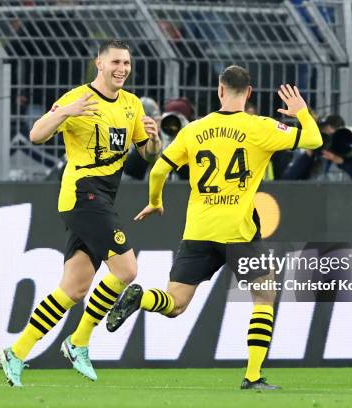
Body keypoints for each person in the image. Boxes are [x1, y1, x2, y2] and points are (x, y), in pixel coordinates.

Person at [106, 66, 322, 390]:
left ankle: (142, 299)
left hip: (198, 231)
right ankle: (252, 376)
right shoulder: (260, 127)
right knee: (264, 296)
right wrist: (301, 112)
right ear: (248, 93)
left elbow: (158, 170)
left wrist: (155, 201)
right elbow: (315, 139)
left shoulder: (194, 130)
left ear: (220, 91)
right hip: (238, 231)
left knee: (175, 303)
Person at [0, 39, 161, 387]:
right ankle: (79, 341)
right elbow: (36, 134)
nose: (122, 69)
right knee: (127, 269)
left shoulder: (132, 105)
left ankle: (16, 351)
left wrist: (153, 140)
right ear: (99, 64)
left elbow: (145, 155)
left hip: (103, 197)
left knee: (73, 289)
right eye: (116, 62)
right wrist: (64, 113)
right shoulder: (77, 98)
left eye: (127, 63)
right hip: (82, 195)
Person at [282, 114, 352, 181]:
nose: (327, 139)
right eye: (323, 133)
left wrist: (343, 163)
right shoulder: (314, 155)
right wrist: (308, 155)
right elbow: (287, 180)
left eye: (330, 134)